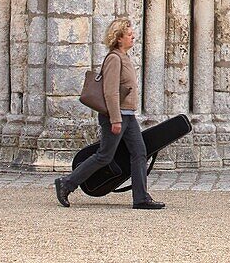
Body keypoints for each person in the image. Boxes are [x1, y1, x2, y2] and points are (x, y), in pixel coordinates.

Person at [54, 18, 165, 210]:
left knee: (139, 152)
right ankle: (67, 183)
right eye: (129, 35)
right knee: (104, 155)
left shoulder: (124, 58)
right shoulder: (114, 58)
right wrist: (115, 119)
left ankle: (141, 198)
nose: (133, 37)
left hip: (128, 115)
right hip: (117, 116)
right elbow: (110, 91)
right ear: (119, 38)